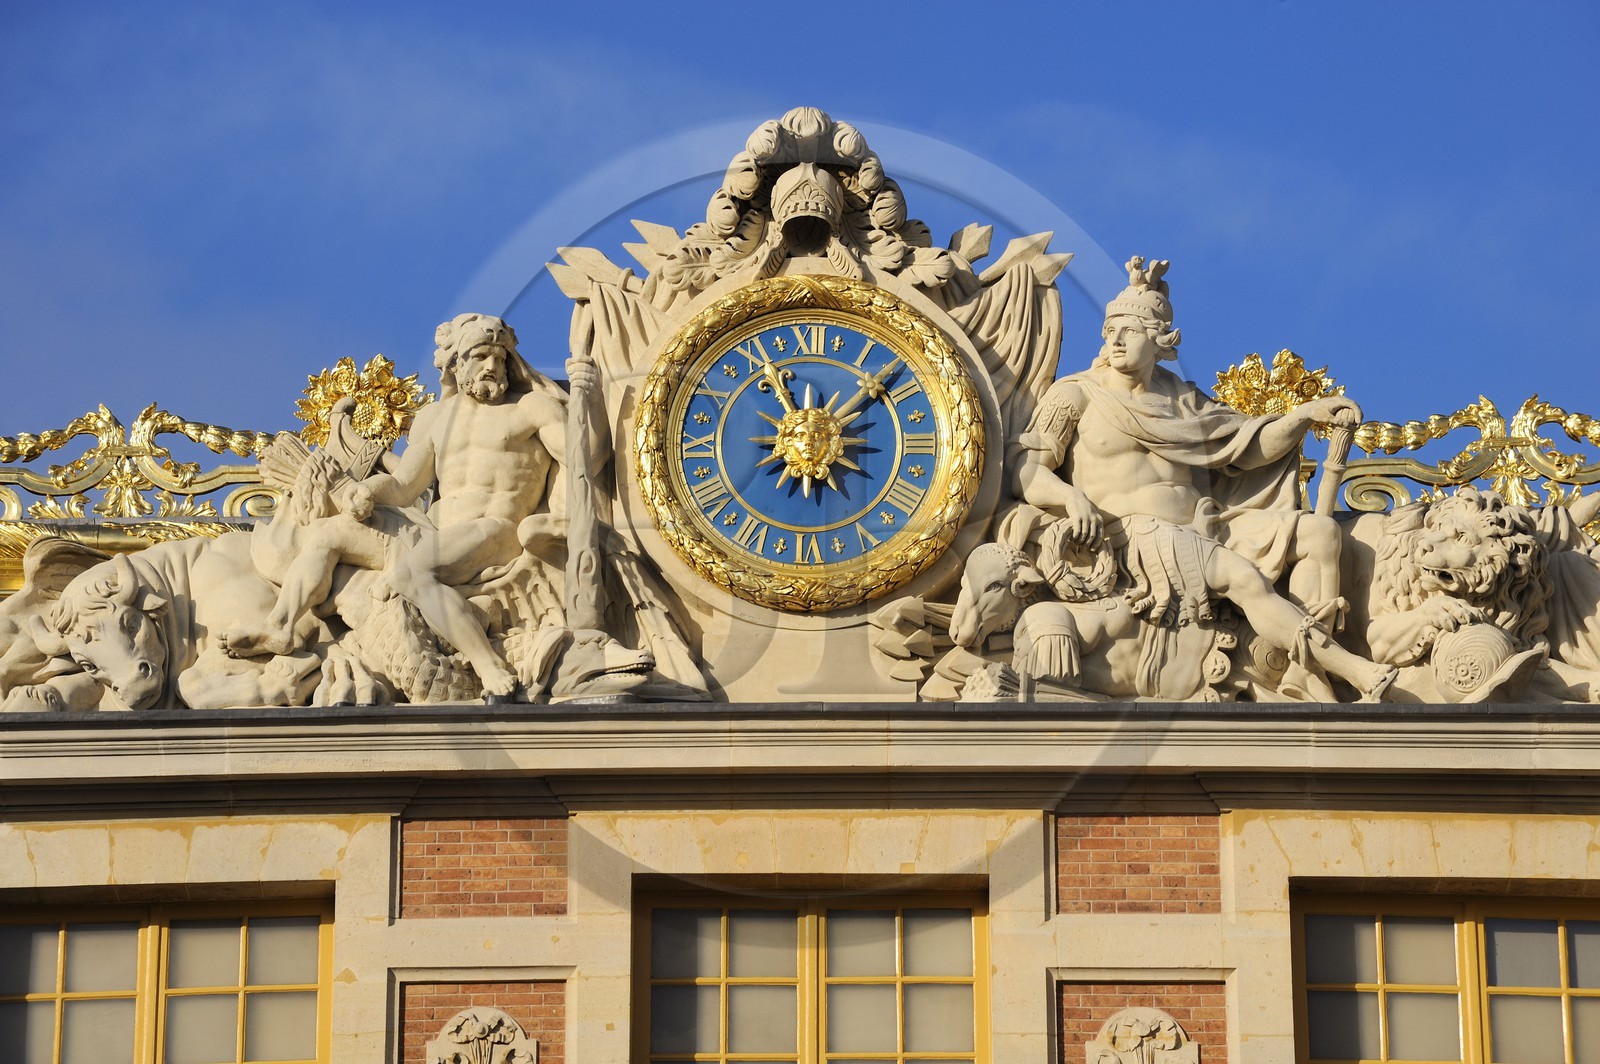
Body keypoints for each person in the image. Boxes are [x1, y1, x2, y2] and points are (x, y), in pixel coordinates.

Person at [1012, 257, 1396, 700]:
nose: (1115, 340)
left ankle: (1303, 672)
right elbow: (1026, 468)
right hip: (1131, 536)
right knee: (1244, 580)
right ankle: (1346, 668)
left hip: (1205, 525)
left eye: (1130, 331)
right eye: (1110, 330)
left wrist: (1303, 416)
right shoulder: (1075, 395)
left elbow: (1248, 447)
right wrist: (1070, 500)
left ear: (1159, 341)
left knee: (1320, 532)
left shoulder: (1181, 399)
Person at [224, 314, 591, 700]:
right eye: (481, 356)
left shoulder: (531, 408)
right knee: (327, 533)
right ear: (456, 364)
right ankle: (281, 625)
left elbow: (584, 459)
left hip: (496, 529)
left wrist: (584, 395)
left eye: (499, 358)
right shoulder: (435, 419)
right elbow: (403, 487)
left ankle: (488, 665)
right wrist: (365, 492)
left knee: (411, 575)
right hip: (431, 529)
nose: (492, 367)